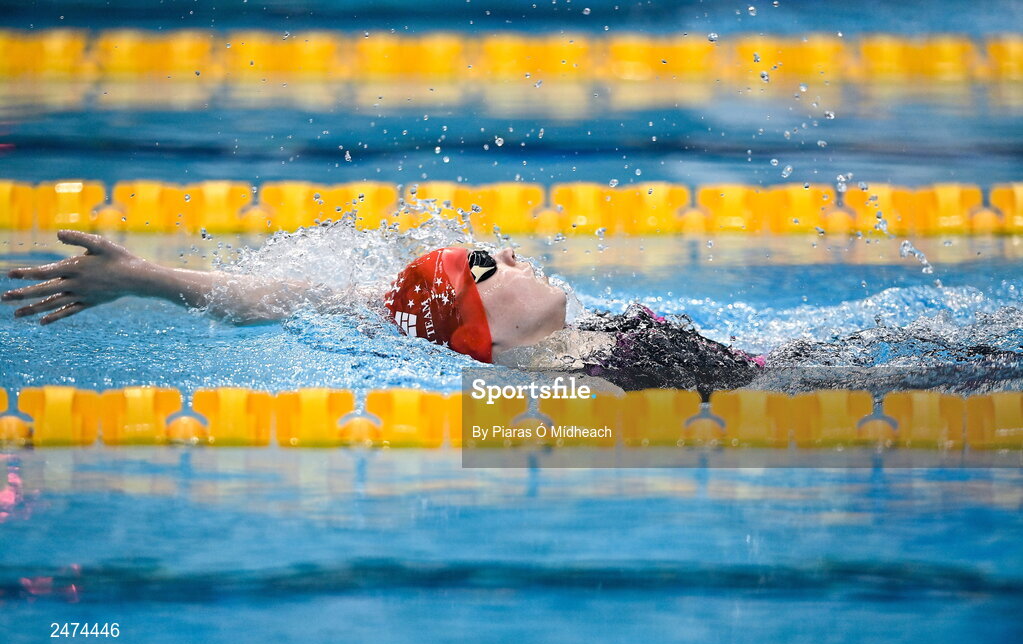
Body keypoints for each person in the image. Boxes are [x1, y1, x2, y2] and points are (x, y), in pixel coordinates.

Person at [2, 229, 762, 396]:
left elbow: (292, 296)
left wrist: (143, 275)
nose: (521, 256)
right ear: (477, 326)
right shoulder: (581, 388)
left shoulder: (595, 347)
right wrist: (139, 278)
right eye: (490, 264)